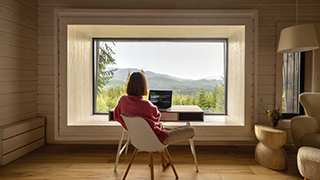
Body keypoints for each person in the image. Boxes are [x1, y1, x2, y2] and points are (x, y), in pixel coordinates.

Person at [114, 71, 195, 168]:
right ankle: (164, 159)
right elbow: (157, 117)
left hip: (137, 139)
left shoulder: (123, 100)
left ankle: (163, 160)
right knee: (191, 130)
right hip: (157, 140)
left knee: (159, 129)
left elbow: (117, 115)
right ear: (143, 86)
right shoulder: (147, 105)